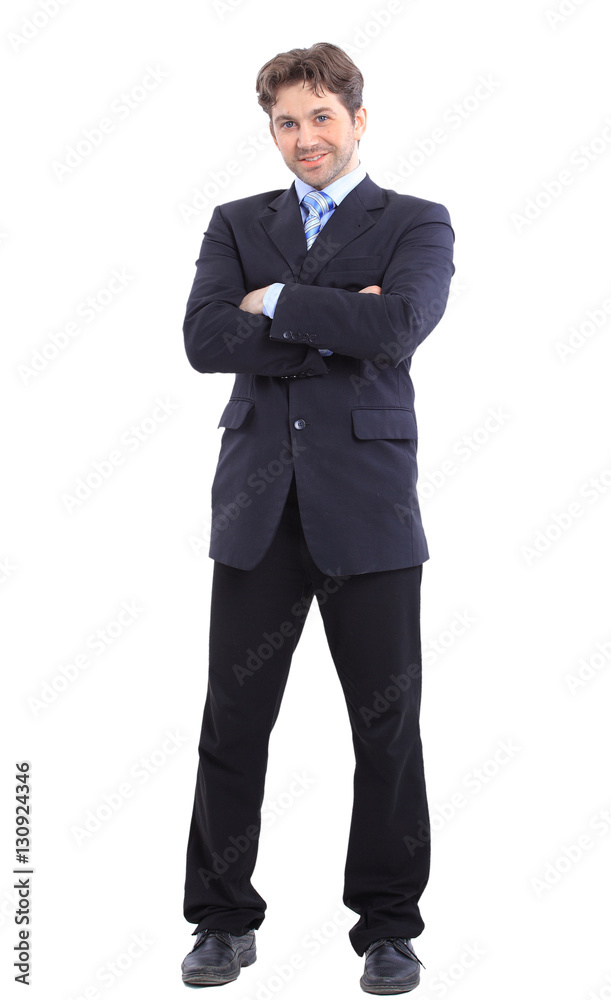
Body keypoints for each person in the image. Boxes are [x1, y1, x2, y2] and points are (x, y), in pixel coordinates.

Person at [180, 41, 454, 995]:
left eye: (321, 118)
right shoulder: (235, 222)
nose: (304, 139)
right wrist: (337, 318)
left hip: (371, 512)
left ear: (358, 120)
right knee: (233, 720)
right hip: (257, 510)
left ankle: (386, 927)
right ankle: (221, 919)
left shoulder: (415, 222)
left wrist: (282, 303)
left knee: (387, 726)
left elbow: (397, 327)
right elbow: (206, 341)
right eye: (286, 123)